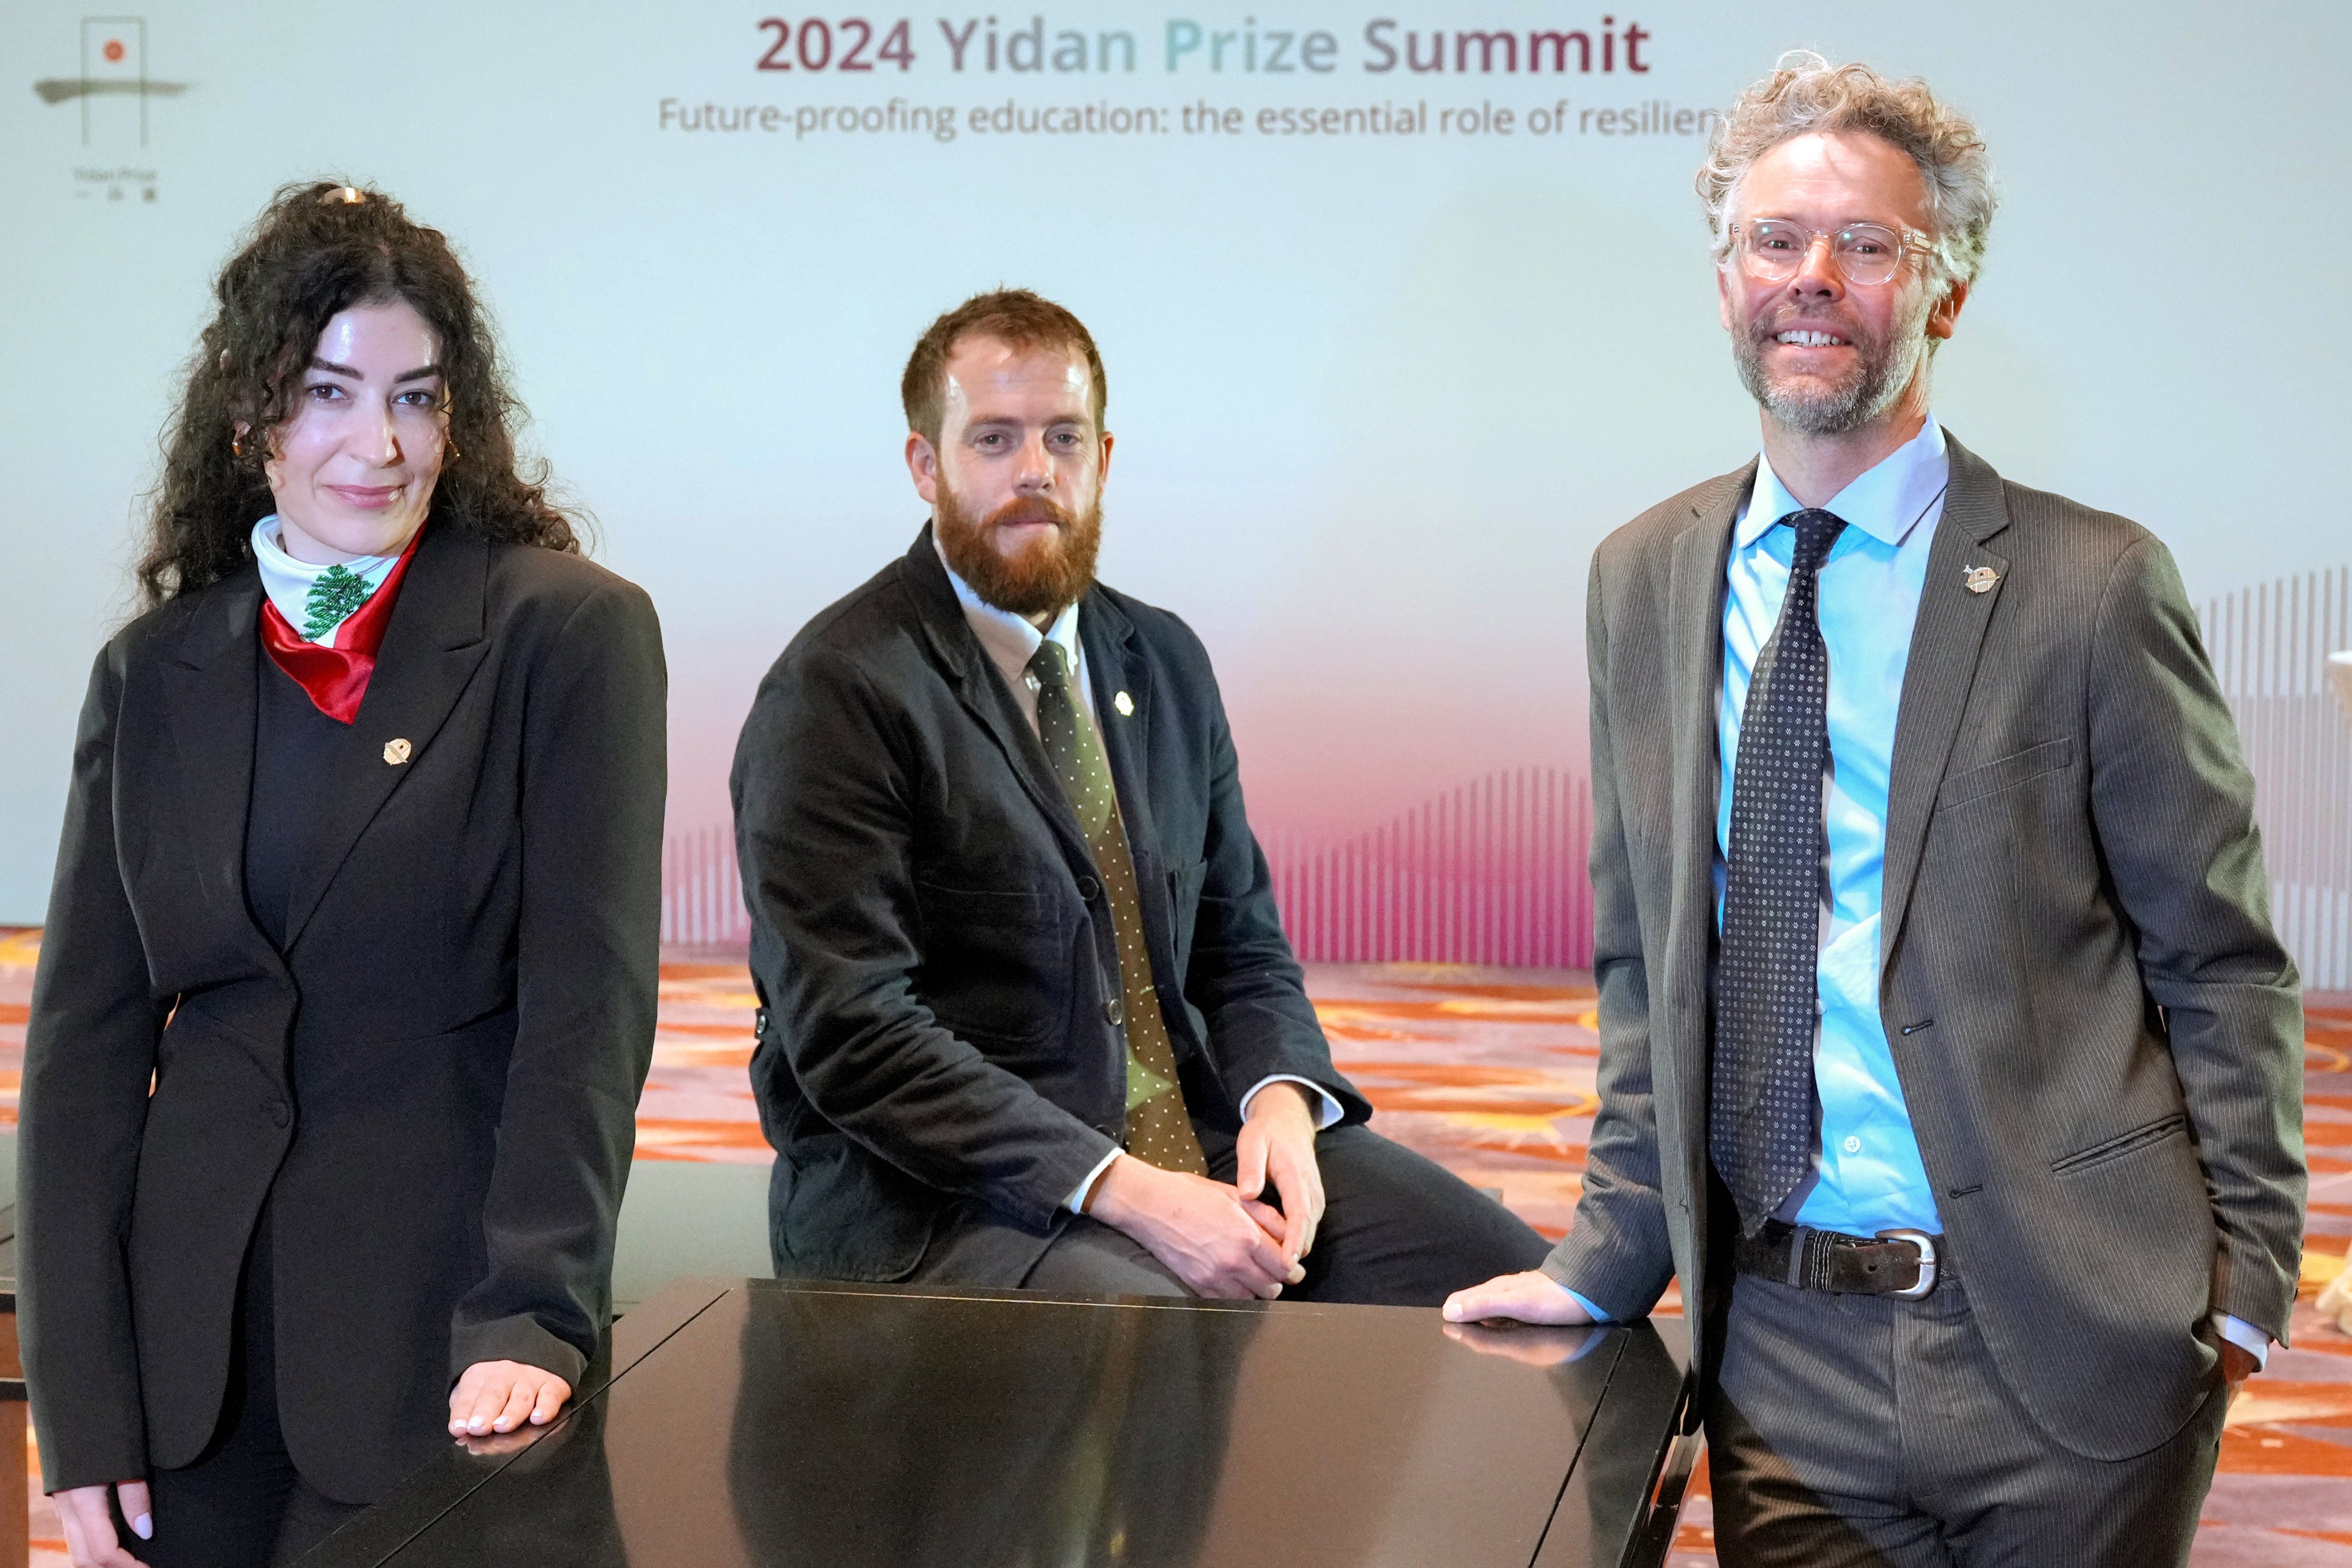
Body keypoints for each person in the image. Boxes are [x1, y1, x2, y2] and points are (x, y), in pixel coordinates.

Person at [1442, 54, 2305, 1565]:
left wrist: (2243, 1284)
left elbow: (2219, 961)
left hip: (2068, 1339)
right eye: (1776, 241)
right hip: (1782, 1357)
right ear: (1725, 282)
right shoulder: (1642, 577)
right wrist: (1601, 1258)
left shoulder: (2091, 587)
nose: (1813, 279)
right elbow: (1655, 969)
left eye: (1869, 243)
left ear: (1948, 291)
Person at [21, 182, 667, 1568]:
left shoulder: (568, 634)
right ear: (252, 416)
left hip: (448, 1360)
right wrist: (81, 1410)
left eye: (418, 399)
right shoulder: (152, 671)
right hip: (186, 1380)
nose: (379, 444)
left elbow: (585, 1013)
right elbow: (83, 1056)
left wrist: (535, 1310)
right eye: (329, 393)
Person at [732, 289, 1548, 1304]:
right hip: (948, 1202)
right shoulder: (836, 691)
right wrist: (1128, 1190)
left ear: (1104, 460)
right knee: (1162, 1343)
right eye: (994, 438)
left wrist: (1281, 1103)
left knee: (1530, 1290)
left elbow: (1239, 946)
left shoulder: (1161, 659)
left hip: (1197, 1141)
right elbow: (855, 1037)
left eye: (1063, 437)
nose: (1035, 470)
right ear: (925, 466)